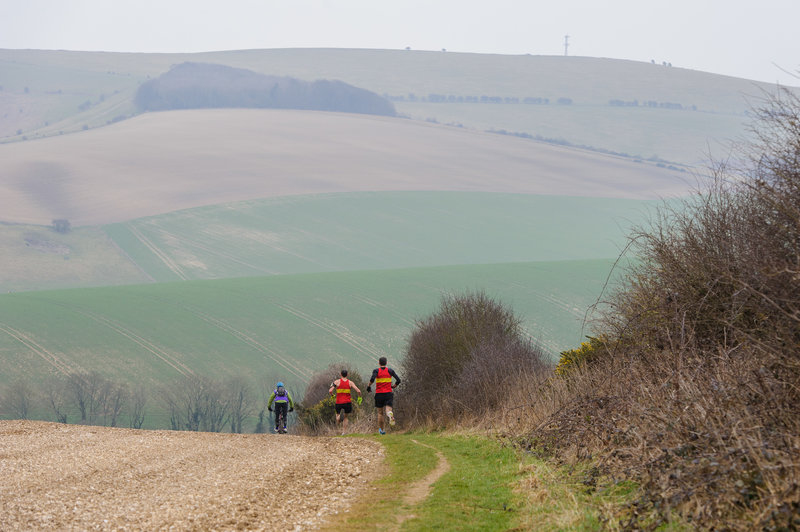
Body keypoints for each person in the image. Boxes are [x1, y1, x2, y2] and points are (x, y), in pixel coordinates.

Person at [366, 356, 401, 434]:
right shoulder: (390, 370)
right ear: (386, 363)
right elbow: (398, 380)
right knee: (388, 410)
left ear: (379, 363)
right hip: (388, 393)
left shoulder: (376, 371)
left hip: (379, 394)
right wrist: (394, 386)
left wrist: (368, 386)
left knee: (380, 413)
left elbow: (372, 379)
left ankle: (382, 430)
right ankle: (390, 415)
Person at [328, 369, 362, 435]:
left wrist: (332, 395)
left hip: (338, 402)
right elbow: (358, 391)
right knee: (346, 417)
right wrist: (359, 398)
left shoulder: (337, 382)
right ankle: (344, 432)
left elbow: (330, 391)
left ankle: (339, 418)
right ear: (347, 375)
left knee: (337, 416)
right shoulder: (350, 382)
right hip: (347, 402)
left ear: (340, 374)